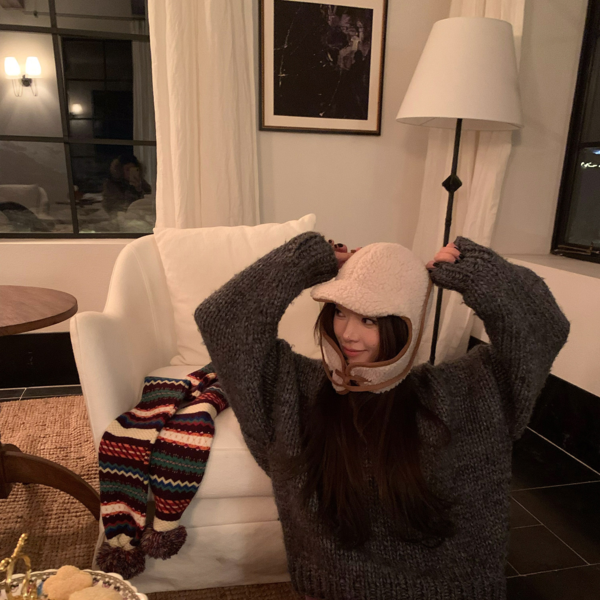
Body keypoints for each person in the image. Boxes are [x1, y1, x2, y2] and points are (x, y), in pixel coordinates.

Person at [194, 232, 570, 600]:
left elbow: (543, 329)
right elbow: (222, 321)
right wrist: (303, 260)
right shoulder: (290, 392)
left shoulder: (470, 395)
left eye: (370, 320)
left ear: (406, 324)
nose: (348, 334)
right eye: (340, 312)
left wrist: (480, 272)